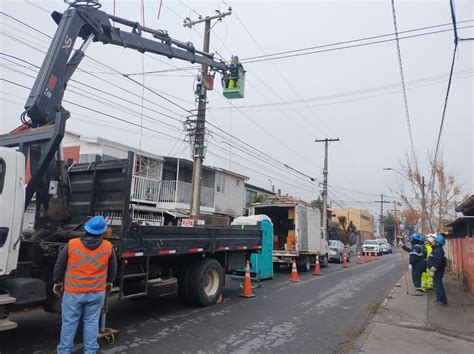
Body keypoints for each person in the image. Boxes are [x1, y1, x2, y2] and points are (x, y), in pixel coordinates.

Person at [53, 215, 117, 354]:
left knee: (69, 323)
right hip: (96, 293)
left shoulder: (72, 244)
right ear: (102, 232)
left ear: (86, 228)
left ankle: (64, 351)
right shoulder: (108, 247)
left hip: (73, 293)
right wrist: (109, 282)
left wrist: (57, 282)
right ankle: (90, 351)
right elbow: (113, 269)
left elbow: (59, 266)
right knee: (92, 323)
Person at [427, 235, 448, 305]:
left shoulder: (438, 250)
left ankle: (442, 300)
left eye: (434, 241)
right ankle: (440, 299)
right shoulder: (436, 249)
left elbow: (437, 261)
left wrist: (433, 270)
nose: (432, 242)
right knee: (437, 285)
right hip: (437, 270)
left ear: (438, 243)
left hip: (437, 271)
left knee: (438, 285)